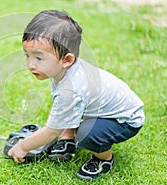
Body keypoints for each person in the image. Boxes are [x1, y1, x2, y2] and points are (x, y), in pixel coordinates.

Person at [8, 10, 145, 181]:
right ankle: (69, 138)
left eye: (39, 58)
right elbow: (63, 107)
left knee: (87, 134)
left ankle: (103, 159)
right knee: (69, 110)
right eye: (27, 56)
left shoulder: (71, 88)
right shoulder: (62, 70)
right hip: (103, 109)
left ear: (66, 59)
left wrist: (23, 146)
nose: (30, 64)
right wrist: (66, 135)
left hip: (125, 120)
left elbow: (51, 132)